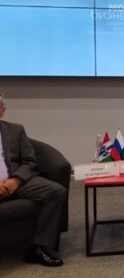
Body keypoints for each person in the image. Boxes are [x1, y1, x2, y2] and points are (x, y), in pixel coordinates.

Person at [0, 93, 66, 267]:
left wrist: (15, 180)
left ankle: (39, 247)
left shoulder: (15, 130)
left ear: (2, 111)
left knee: (56, 191)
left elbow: (30, 161)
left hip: (15, 181)